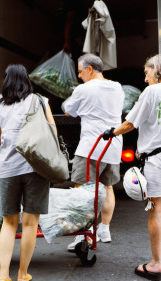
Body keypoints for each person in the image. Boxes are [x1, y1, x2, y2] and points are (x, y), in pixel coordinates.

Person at [106, 54, 161, 281]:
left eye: (146, 72)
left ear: (157, 69)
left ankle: (154, 264)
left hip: (157, 160)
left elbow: (131, 122)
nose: (145, 78)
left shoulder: (152, 92)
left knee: (155, 210)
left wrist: (111, 132)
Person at [0, 64, 55, 281]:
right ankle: (23, 274)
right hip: (36, 168)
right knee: (30, 223)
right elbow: (52, 133)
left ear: (6, 81)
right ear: (27, 80)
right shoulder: (40, 101)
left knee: (9, 222)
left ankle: (3, 275)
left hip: (7, 170)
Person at [62, 53, 124, 251]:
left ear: (89, 69)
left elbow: (68, 111)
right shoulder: (117, 87)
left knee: (82, 191)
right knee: (107, 187)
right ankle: (104, 229)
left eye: (80, 71)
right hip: (113, 146)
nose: (79, 76)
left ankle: (82, 237)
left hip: (91, 147)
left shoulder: (84, 89)